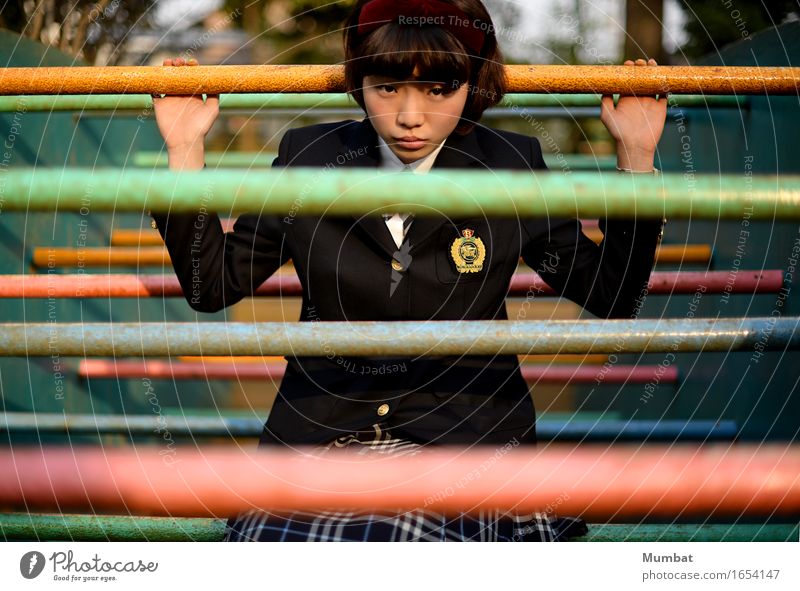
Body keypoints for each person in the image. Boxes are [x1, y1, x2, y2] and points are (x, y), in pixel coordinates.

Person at [150, 0, 667, 541]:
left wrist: (635, 153)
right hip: (321, 439)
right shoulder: (310, 156)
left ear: (474, 83)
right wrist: (185, 146)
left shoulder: (511, 165)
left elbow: (610, 295)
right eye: (388, 87)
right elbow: (213, 284)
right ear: (360, 81)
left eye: (439, 89)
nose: (410, 116)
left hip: (466, 442)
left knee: (400, 535)